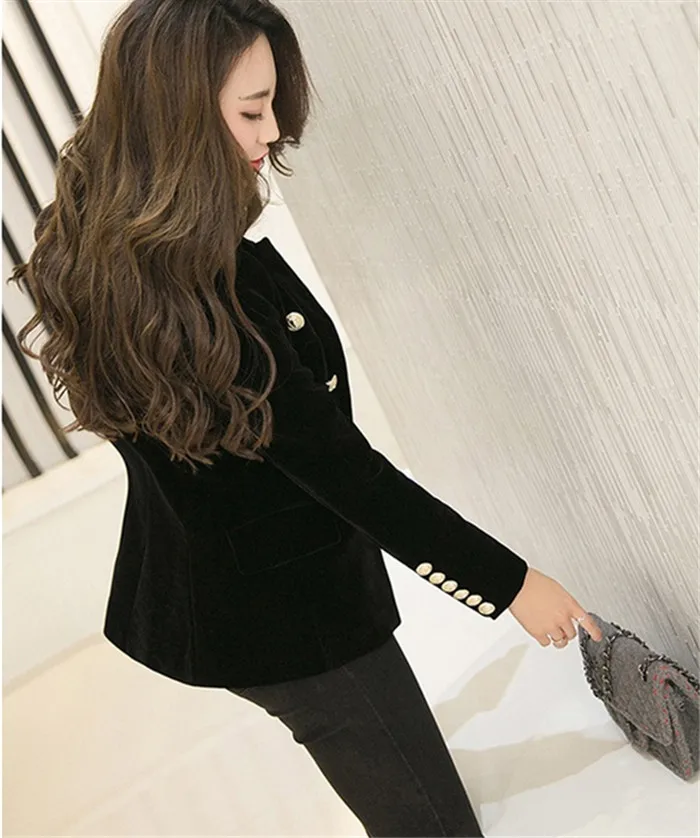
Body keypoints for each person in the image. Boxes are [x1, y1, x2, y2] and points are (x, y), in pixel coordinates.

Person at [10, 1, 603, 836]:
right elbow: (346, 471)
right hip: (282, 615)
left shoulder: (110, 243)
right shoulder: (204, 298)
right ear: (177, 115)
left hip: (221, 576)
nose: (274, 132)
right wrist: (512, 584)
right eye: (252, 111)